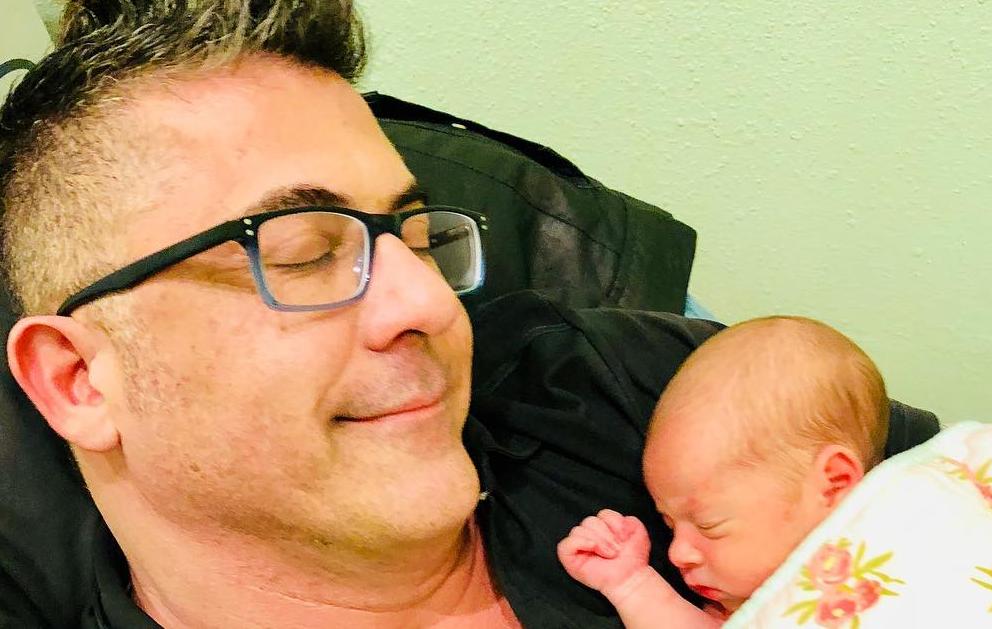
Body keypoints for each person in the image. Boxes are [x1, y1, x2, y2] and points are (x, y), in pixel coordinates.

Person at [0, 2, 937, 627]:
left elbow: (984, 498)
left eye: (415, 237)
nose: (427, 302)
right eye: (305, 251)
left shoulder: (608, 386)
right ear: (79, 380)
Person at [558, 316, 890, 627]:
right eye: (669, 526)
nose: (677, 553)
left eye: (709, 525)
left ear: (833, 484)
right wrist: (631, 584)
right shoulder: (750, 606)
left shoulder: (903, 558)